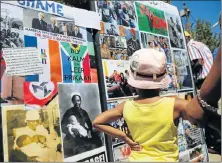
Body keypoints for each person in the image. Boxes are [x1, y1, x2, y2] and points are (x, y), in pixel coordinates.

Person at [93, 48, 218, 162]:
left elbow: (97, 122)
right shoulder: (175, 104)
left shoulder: (125, 106)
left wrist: (124, 137)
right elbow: (200, 113)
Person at [61, 92, 101, 157]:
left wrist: (89, 131)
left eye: (78, 100)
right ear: (72, 101)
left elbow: (89, 123)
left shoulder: (83, 112)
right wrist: (71, 131)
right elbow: (62, 125)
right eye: (75, 101)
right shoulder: (69, 112)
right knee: (79, 150)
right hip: (73, 136)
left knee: (96, 143)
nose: (77, 102)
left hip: (83, 133)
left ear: (80, 101)